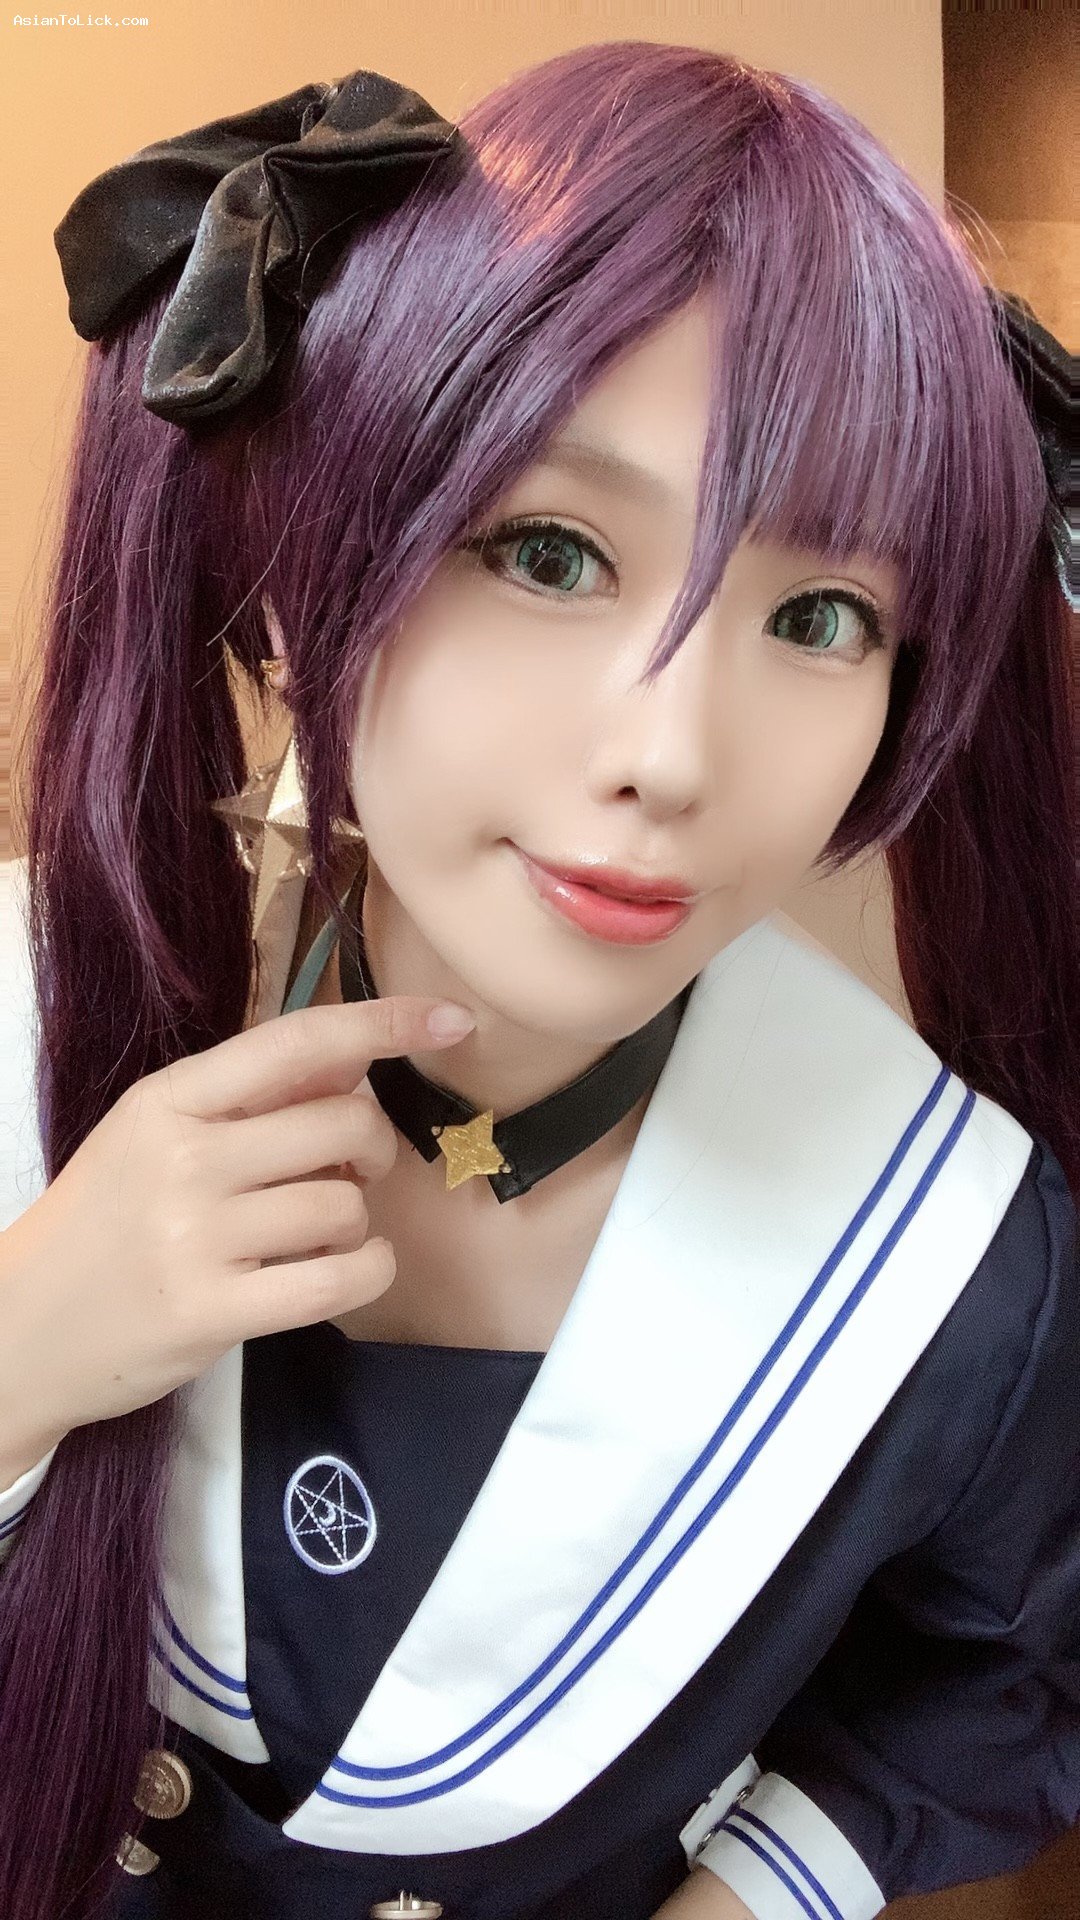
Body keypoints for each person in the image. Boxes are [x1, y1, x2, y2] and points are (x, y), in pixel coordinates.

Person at [0, 39, 1077, 1920]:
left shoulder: (957, 1254)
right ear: (307, 558)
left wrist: (757, 1894)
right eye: (551, 552)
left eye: (823, 616)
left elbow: (997, 1682)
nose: (672, 752)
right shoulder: (22, 1021)